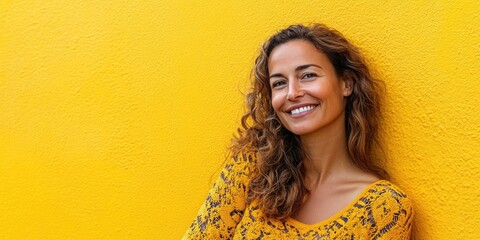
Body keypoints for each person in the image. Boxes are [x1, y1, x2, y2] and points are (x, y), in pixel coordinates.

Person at [183, 24, 413, 239]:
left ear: (346, 83)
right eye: (279, 83)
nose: (292, 93)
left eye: (308, 75)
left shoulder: (383, 209)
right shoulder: (252, 167)